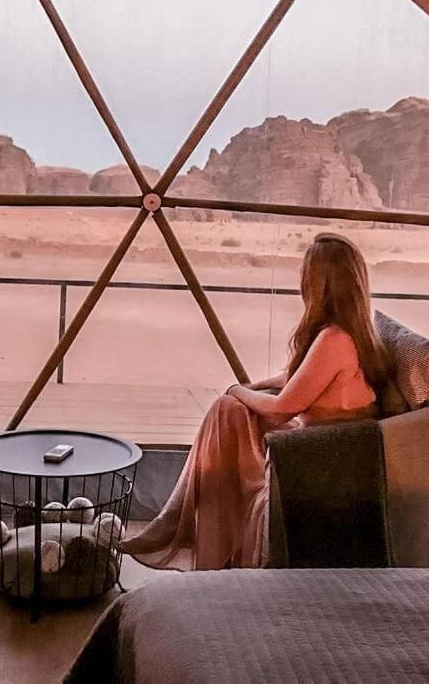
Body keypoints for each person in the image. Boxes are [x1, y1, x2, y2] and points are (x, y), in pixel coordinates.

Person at [122, 232, 389, 571]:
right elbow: (299, 380)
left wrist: (237, 390)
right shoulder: (351, 331)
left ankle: (182, 529)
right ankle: (182, 526)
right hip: (314, 440)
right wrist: (255, 387)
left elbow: (284, 407)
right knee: (229, 413)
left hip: (315, 457)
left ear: (319, 283)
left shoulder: (335, 339)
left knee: (227, 408)